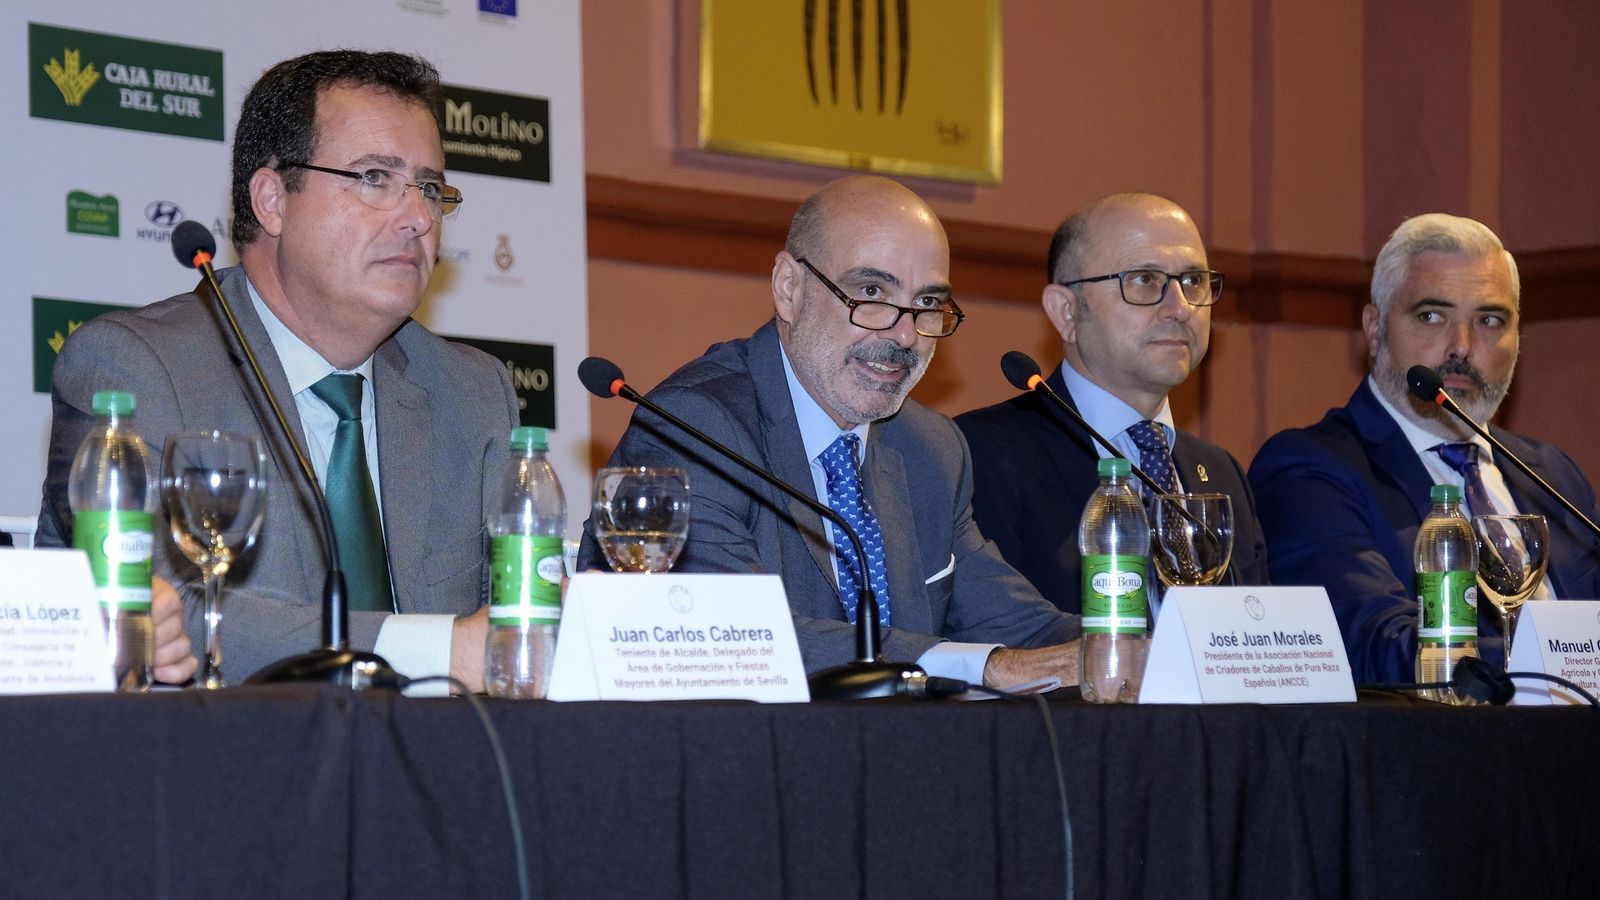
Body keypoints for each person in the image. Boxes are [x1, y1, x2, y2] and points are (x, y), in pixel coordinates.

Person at [36, 51, 517, 690]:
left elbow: (515, 615)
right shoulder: (135, 368)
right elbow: (167, 611)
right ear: (272, 201)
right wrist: (442, 649)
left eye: (430, 188)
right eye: (375, 178)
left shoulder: (472, 391)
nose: (419, 219)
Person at [580, 176, 1079, 686]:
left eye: (927, 303)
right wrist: (980, 665)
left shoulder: (931, 447)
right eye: (871, 292)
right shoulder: (695, 428)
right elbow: (729, 638)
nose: (904, 334)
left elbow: (1021, 627)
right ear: (788, 288)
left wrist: (1133, 645)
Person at [1249, 213, 1600, 682]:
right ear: (1374, 328)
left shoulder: (1554, 476)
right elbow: (1377, 645)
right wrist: (1559, 663)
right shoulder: (1309, 472)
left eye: (1490, 320)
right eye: (1432, 316)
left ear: (1518, 340)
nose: (1462, 346)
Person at [956, 193, 1269, 613]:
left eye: (1193, 281)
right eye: (1144, 279)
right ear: (1067, 312)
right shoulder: (982, 456)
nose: (1179, 308)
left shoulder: (1221, 471)